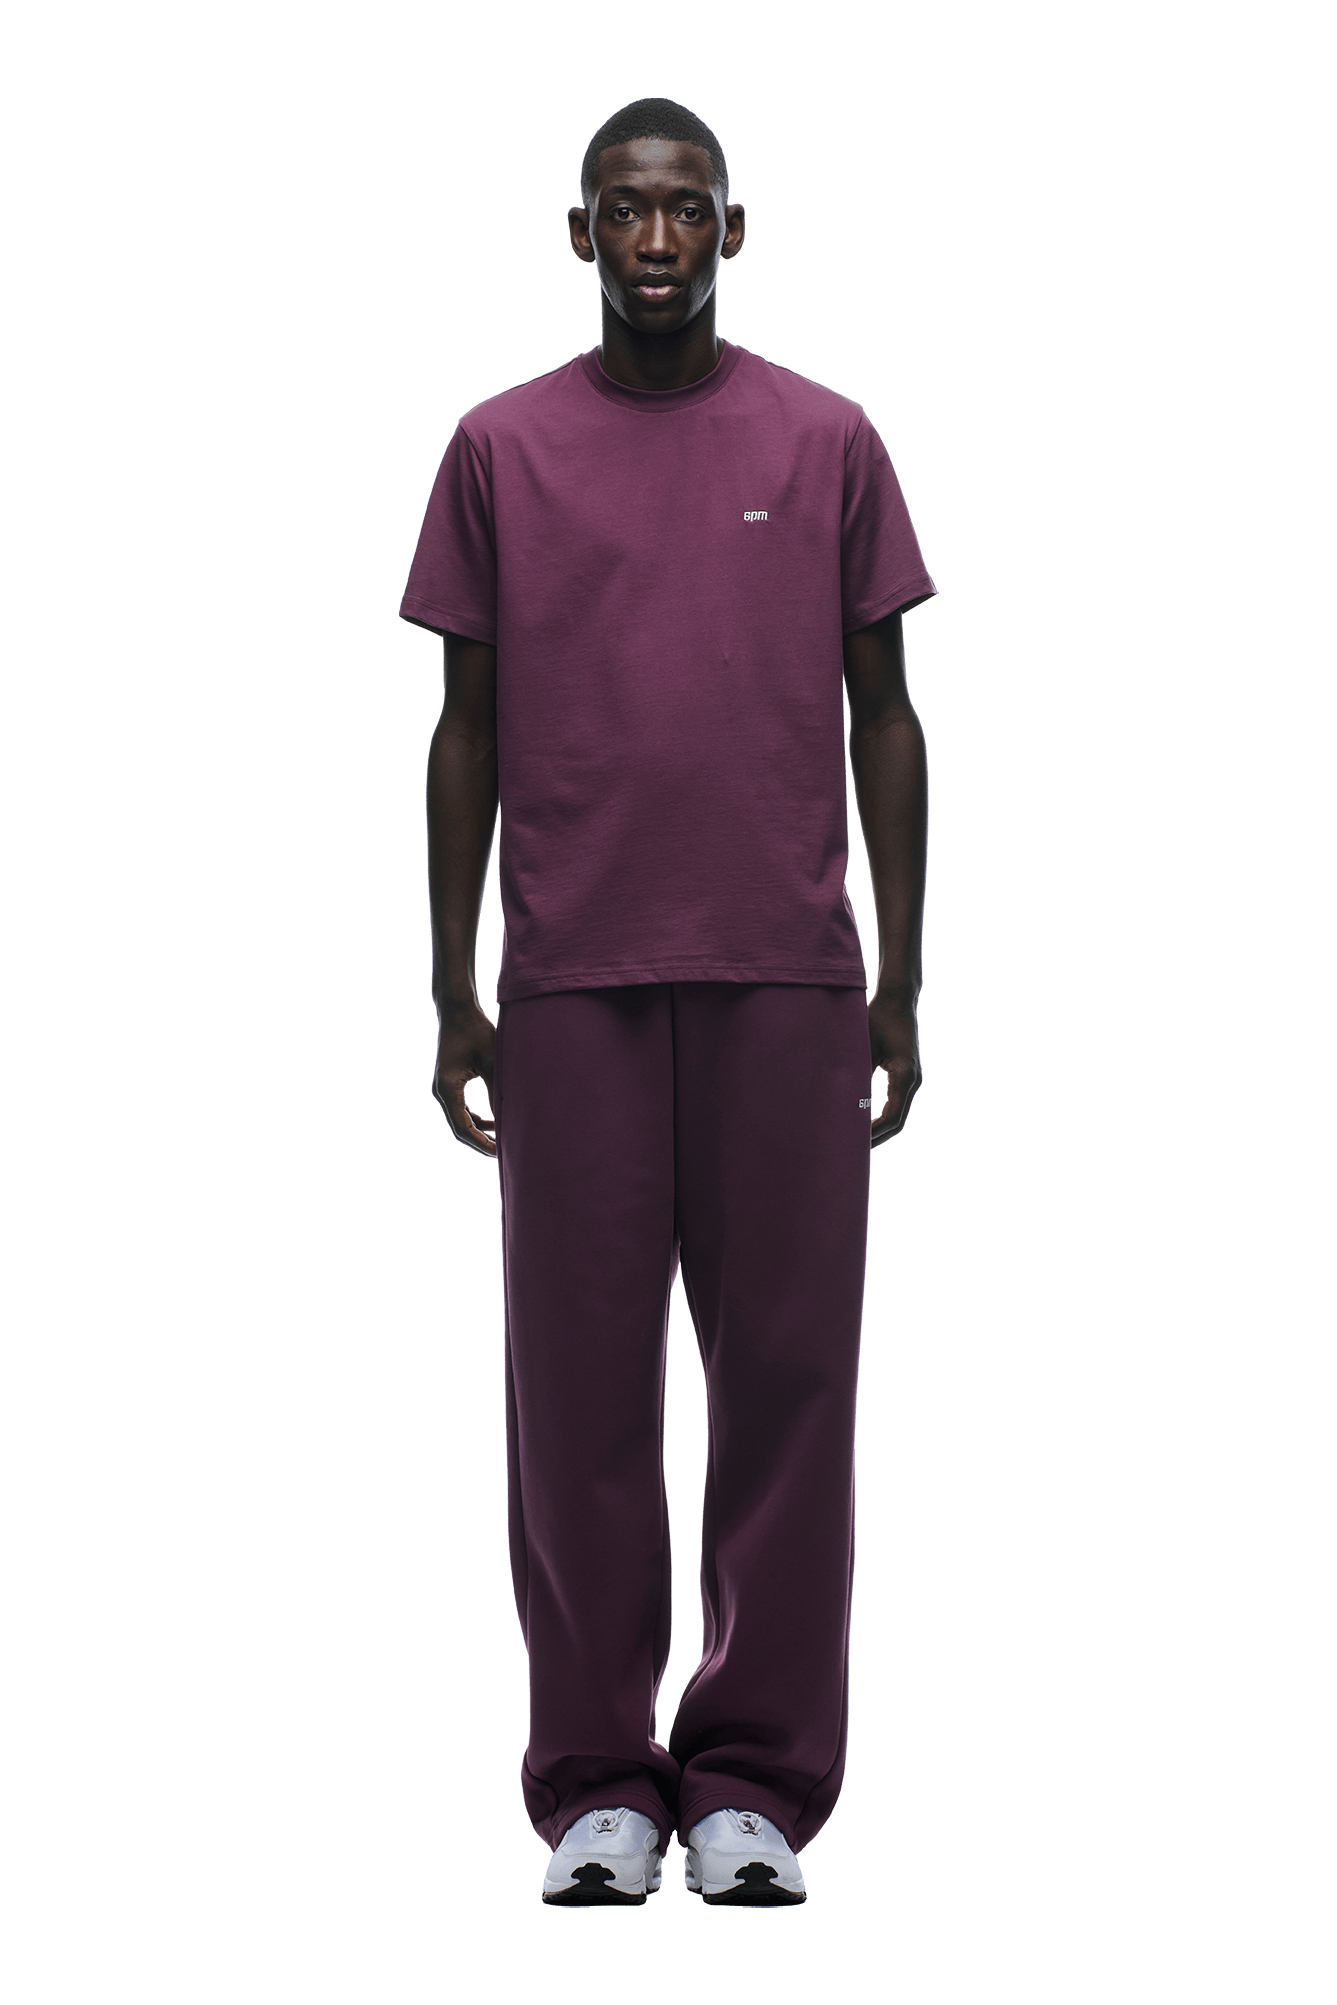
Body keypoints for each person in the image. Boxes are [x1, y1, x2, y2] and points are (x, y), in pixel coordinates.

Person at [399, 97, 936, 1908]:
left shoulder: (829, 436)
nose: (654, 240)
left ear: (730, 232)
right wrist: (454, 984)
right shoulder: (498, 446)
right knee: (575, 1399)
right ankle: (599, 1788)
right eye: (625, 211)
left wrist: (901, 976)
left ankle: (755, 1784)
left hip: (788, 975)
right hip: (574, 982)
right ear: (581, 235)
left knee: (788, 1385)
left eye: (685, 211)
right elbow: (463, 729)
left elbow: (886, 711)